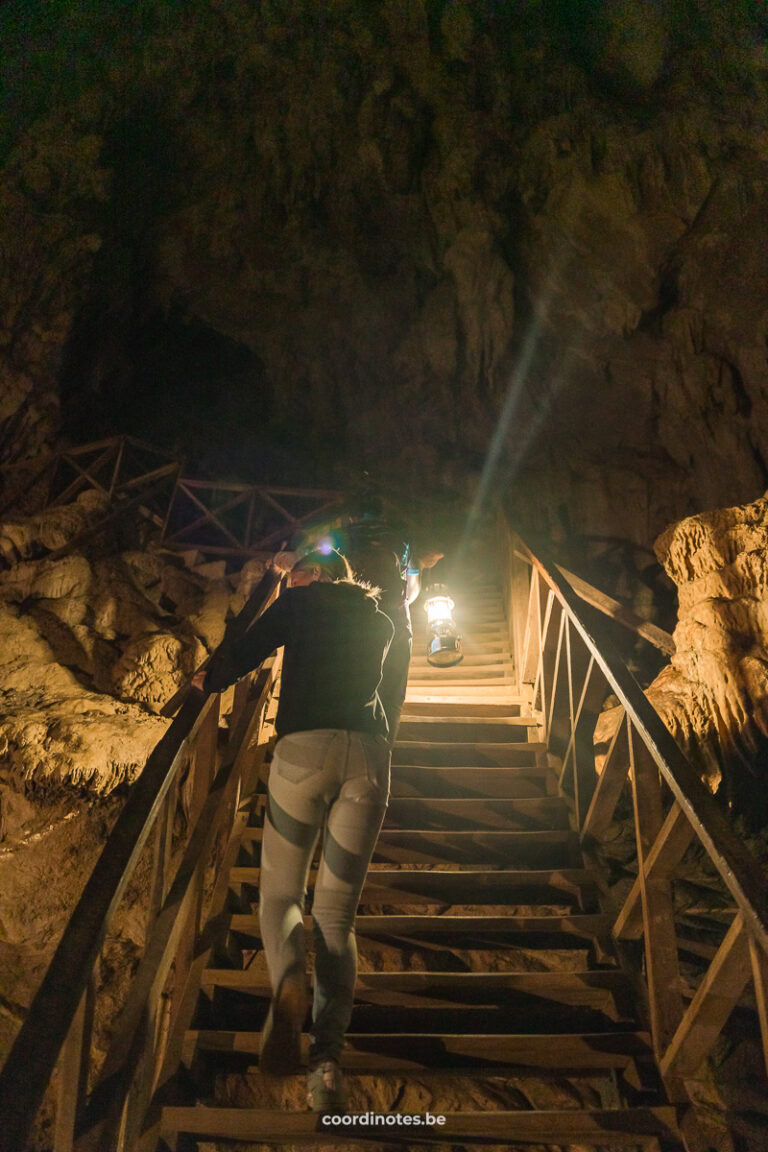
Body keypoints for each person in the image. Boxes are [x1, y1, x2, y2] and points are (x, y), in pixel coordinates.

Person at [202, 549, 394, 1113]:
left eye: (298, 574)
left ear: (310, 576)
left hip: (304, 752)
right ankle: (327, 1065)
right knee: (337, 916)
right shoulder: (379, 619)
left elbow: (247, 648)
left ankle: (289, 979)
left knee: (282, 895)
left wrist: (208, 678)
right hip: (369, 758)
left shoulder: (299, 603)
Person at [344, 498, 443, 744]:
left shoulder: (344, 537)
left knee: (353, 684)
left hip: (351, 617)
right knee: (392, 692)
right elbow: (412, 589)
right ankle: (384, 750)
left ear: (351, 518)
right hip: (396, 616)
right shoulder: (400, 539)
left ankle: (352, 749)